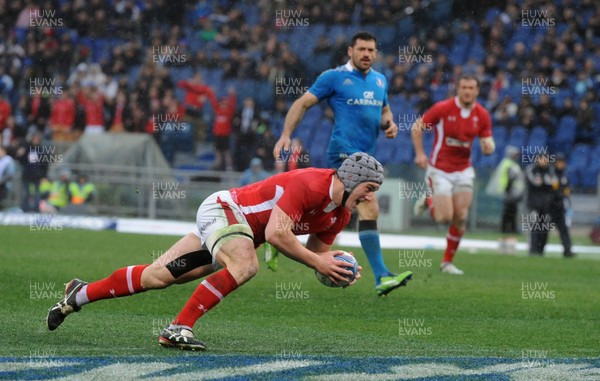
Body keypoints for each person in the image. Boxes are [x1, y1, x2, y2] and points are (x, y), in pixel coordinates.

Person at [47, 153, 382, 350]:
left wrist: (334, 268)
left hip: (236, 229)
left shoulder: (340, 214)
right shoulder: (309, 183)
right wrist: (319, 261)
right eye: (369, 189)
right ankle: (178, 328)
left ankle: (79, 294)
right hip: (224, 211)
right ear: (351, 178)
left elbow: (316, 256)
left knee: (158, 276)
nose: (370, 197)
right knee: (246, 264)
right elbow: (277, 234)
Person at [273, 31, 412, 297]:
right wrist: (286, 135)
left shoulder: (380, 80)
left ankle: (280, 229)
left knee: (333, 212)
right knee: (369, 205)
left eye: (371, 50)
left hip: (367, 159)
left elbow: (384, 111)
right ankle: (382, 275)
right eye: (362, 49)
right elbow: (302, 103)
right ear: (350, 51)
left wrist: (389, 124)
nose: (367, 54)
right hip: (344, 154)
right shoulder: (334, 77)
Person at [412, 74, 495, 275]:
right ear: (457, 89)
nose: (467, 91)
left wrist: (488, 148)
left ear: (477, 91)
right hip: (440, 169)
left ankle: (446, 263)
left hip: (464, 170)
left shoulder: (482, 114)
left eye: (471, 87)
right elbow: (417, 127)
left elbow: (488, 143)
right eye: (464, 87)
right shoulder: (443, 108)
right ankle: (429, 199)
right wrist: (420, 154)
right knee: (444, 218)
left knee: (461, 216)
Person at [486, 146, 525, 254]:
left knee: (510, 211)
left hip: (510, 192)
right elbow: (510, 178)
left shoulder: (507, 163)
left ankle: (508, 229)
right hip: (510, 192)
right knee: (510, 212)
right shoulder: (509, 164)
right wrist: (509, 190)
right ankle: (508, 229)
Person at [524, 154, 558, 256]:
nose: (543, 161)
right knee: (534, 227)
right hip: (534, 204)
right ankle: (533, 250)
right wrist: (547, 182)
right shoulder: (531, 169)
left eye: (545, 159)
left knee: (545, 228)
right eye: (541, 159)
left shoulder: (551, 170)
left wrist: (545, 182)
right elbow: (535, 182)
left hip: (547, 205)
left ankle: (541, 250)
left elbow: (555, 184)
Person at [550, 153, 575, 258]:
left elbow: (567, 190)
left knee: (563, 229)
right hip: (550, 206)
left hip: (560, 207)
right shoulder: (552, 174)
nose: (561, 164)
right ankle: (537, 249)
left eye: (563, 162)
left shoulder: (565, 175)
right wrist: (561, 193)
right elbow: (553, 190)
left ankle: (567, 250)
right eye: (559, 162)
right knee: (542, 229)